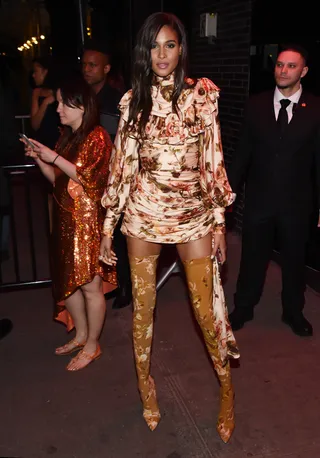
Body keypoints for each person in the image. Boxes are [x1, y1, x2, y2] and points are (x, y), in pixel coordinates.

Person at [100, 12, 239, 442]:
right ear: (145, 51)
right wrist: (108, 226)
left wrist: (218, 222)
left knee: (206, 312)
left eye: (170, 45)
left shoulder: (203, 97)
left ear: (181, 51)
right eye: (154, 46)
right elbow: (121, 168)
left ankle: (228, 391)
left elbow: (213, 162)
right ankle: (146, 387)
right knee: (143, 313)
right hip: (141, 215)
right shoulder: (131, 101)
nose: (162, 54)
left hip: (194, 215)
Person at [22, 74, 117, 371]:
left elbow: (88, 177)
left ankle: (93, 345)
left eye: (64, 103)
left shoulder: (98, 136)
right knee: (69, 286)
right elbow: (57, 180)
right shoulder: (68, 136)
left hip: (87, 223)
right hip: (65, 220)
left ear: (81, 105)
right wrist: (41, 159)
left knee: (90, 286)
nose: (58, 109)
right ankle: (81, 335)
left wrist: (54, 157)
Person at [227, 44, 320, 337]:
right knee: (252, 257)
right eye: (280, 64)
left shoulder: (317, 108)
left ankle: (293, 312)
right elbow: (243, 153)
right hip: (259, 200)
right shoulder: (256, 104)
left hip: (297, 203)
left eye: (291, 66)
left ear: (303, 72)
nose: (283, 70)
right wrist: (228, 192)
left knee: (294, 260)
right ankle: (242, 308)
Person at [82, 43, 132, 310]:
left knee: (118, 236)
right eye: (85, 64)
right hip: (89, 178)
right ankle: (106, 284)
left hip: (115, 178)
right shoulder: (81, 97)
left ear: (106, 68)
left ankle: (125, 287)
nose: (87, 70)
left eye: (93, 65)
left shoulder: (118, 99)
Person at [30, 57, 61, 149]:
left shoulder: (61, 91)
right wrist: (45, 103)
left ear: (45, 72)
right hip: (43, 142)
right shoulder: (37, 92)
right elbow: (35, 125)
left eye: (36, 71)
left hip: (60, 141)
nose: (33, 75)